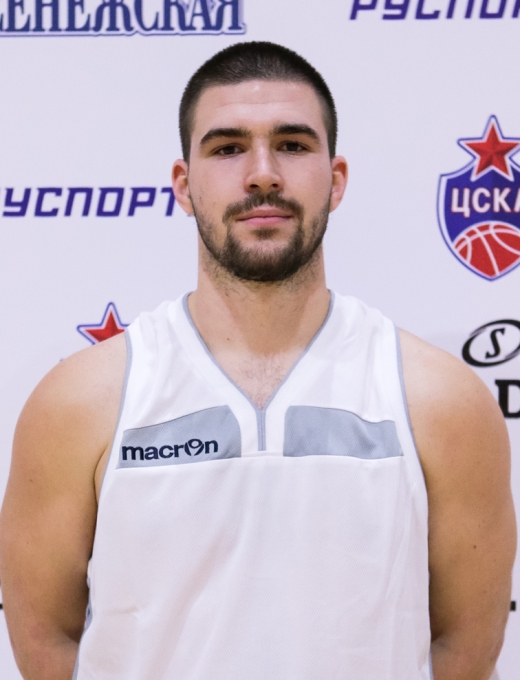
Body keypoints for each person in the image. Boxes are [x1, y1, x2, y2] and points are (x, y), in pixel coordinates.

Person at [0, 41, 516, 680]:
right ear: (184, 185)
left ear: (336, 179)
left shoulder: (440, 400)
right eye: (227, 148)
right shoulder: (81, 401)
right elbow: (47, 641)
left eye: (293, 145)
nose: (263, 174)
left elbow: (465, 649)